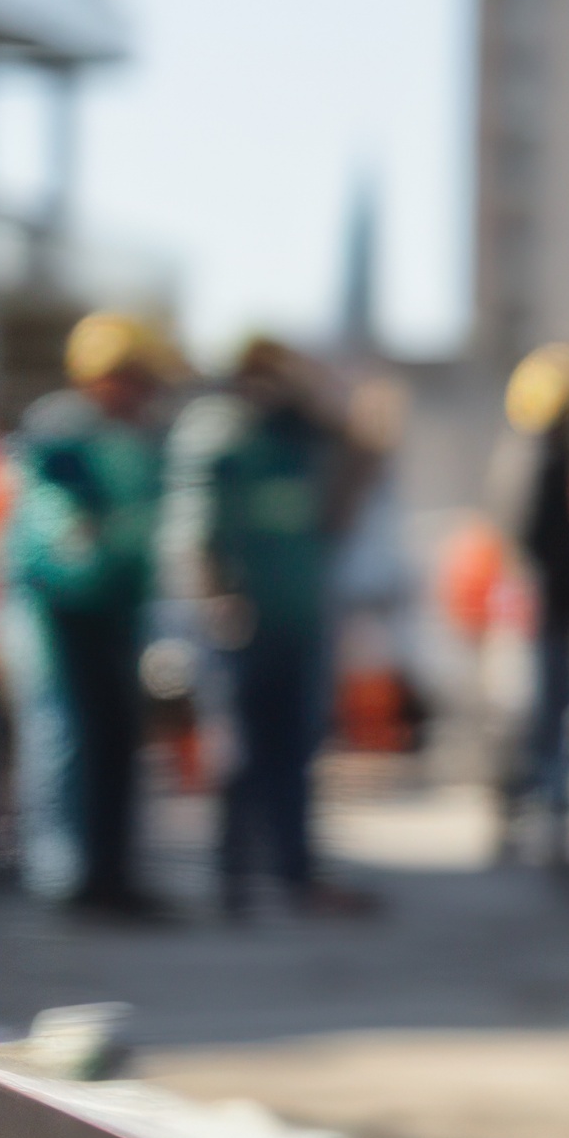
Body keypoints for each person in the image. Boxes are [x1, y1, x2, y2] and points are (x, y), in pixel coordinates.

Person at [168, 331, 367, 918]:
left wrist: (313, 387)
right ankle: (234, 880)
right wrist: (213, 596)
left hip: (298, 619)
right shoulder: (217, 436)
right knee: (241, 754)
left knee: (296, 749)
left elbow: (352, 444)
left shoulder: (297, 436)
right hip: (242, 624)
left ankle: (294, 872)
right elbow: (195, 530)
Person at [0, 309, 174, 918]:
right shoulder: (58, 435)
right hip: (56, 611)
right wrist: (83, 537)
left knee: (118, 738)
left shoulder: (139, 440)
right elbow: (52, 525)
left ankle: (112, 872)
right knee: (66, 734)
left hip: (116, 611)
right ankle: (63, 875)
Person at [489, 341, 569, 868]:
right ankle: (540, 817)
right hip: (547, 609)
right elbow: (539, 541)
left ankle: (521, 814)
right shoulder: (545, 460)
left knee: (537, 714)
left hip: (542, 606)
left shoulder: (526, 454)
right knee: (544, 715)